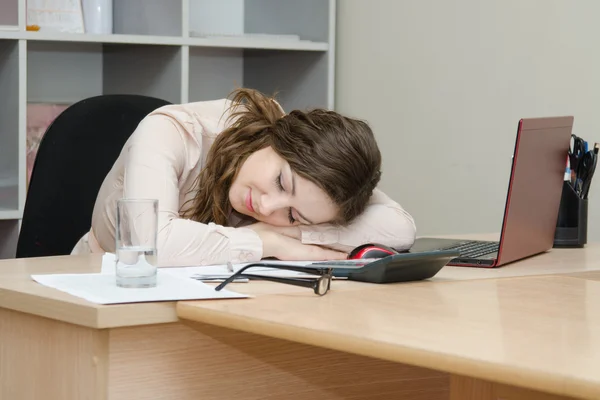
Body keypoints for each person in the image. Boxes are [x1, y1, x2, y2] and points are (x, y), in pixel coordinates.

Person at [71, 88, 417, 266]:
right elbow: (149, 244)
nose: (267, 207)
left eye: (293, 213)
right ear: (278, 137)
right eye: (282, 182)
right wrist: (271, 240)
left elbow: (399, 228)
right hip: (103, 291)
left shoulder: (310, 187)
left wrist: (296, 231)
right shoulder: (171, 131)